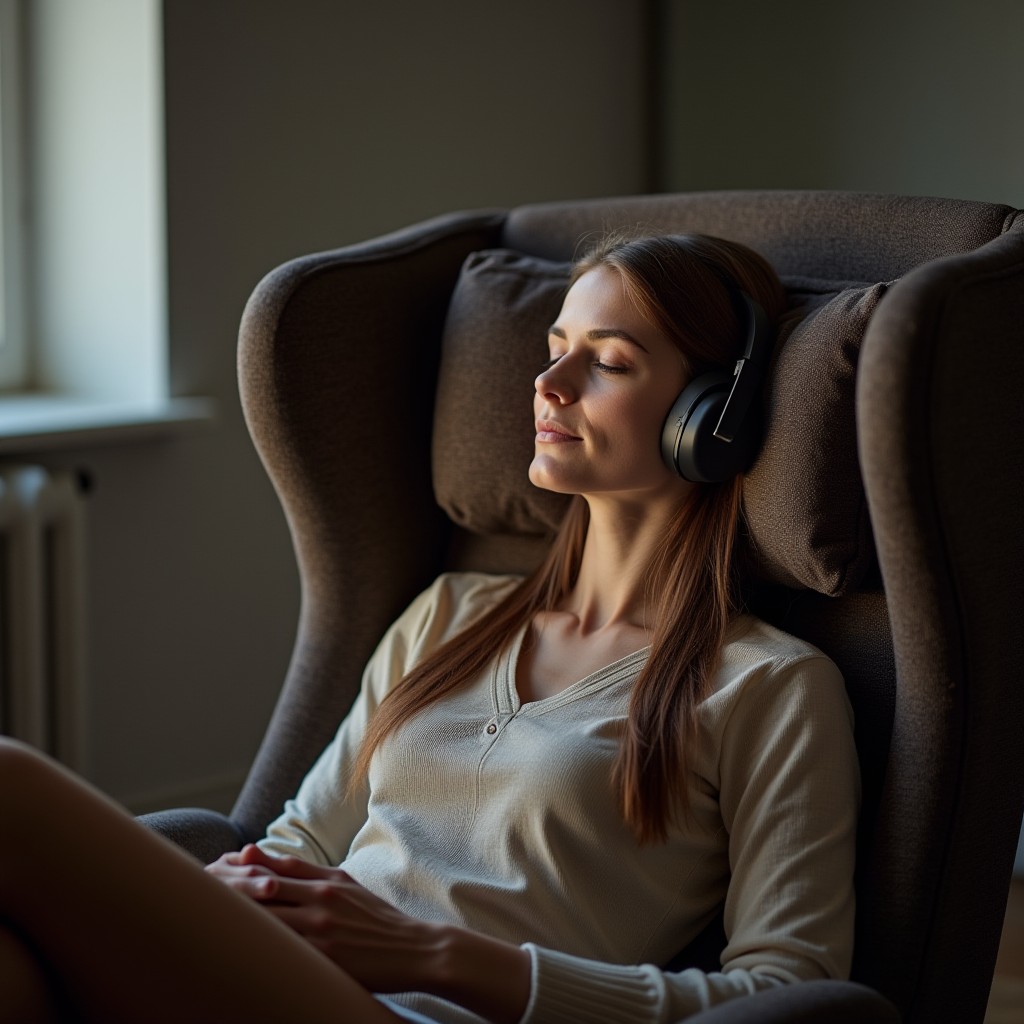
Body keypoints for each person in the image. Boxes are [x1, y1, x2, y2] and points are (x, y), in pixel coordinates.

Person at [0, 233, 859, 1024]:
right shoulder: (450, 615)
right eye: (556, 349)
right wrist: (220, 892)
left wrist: (433, 956)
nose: (549, 386)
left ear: (711, 416)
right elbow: (302, 839)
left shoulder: (768, 686)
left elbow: (784, 994)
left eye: (610, 362)